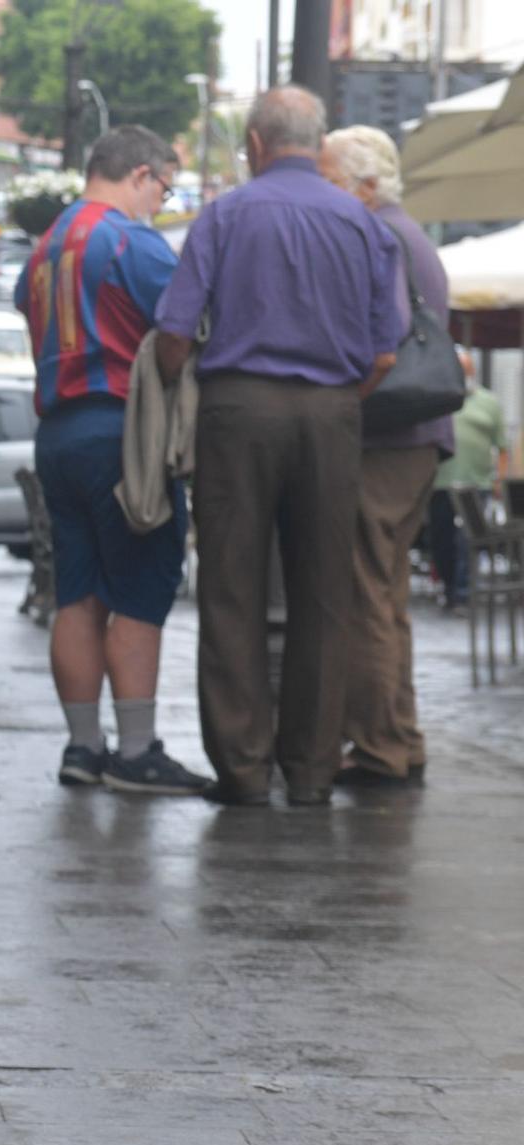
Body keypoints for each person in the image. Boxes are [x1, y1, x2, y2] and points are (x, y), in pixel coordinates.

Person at [155, 87, 404, 808]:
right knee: (324, 595)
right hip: (332, 414)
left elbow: (176, 330)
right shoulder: (363, 225)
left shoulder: (225, 215)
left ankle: (241, 767)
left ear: (256, 145)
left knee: (232, 588)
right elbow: (384, 354)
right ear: (314, 142)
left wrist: (176, 386)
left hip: (238, 410)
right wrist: (335, 401)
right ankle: (313, 770)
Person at [15, 125, 211, 796]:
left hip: (58, 434)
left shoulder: (44, 247)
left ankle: (83, 746)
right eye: (165, 187)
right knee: (140, 588)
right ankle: (135, 752)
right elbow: (185, 319)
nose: (162, 201)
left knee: (77, 594)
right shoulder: (130, 240)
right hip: (122, 433)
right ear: (140, 175)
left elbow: (29, 322)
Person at [320, 126, 452, 788]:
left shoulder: (381, 237)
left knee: (365, 593)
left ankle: (377, 746)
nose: (326, 195)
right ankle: (399, 736)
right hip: (419, 439)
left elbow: (383, 345)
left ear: (367, 187)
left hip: (388, 437)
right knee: (387, 592)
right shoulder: (409, 232)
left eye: (333, 182)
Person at [431, 350, 504, 609]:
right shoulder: (438, 398)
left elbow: (502, 445)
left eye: (466, 369)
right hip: (440, 482)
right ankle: (450, 588)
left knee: (468, 539)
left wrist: (499, 481)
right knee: (441, 539)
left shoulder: (488, 402)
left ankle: (462, 593)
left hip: (478, 483)